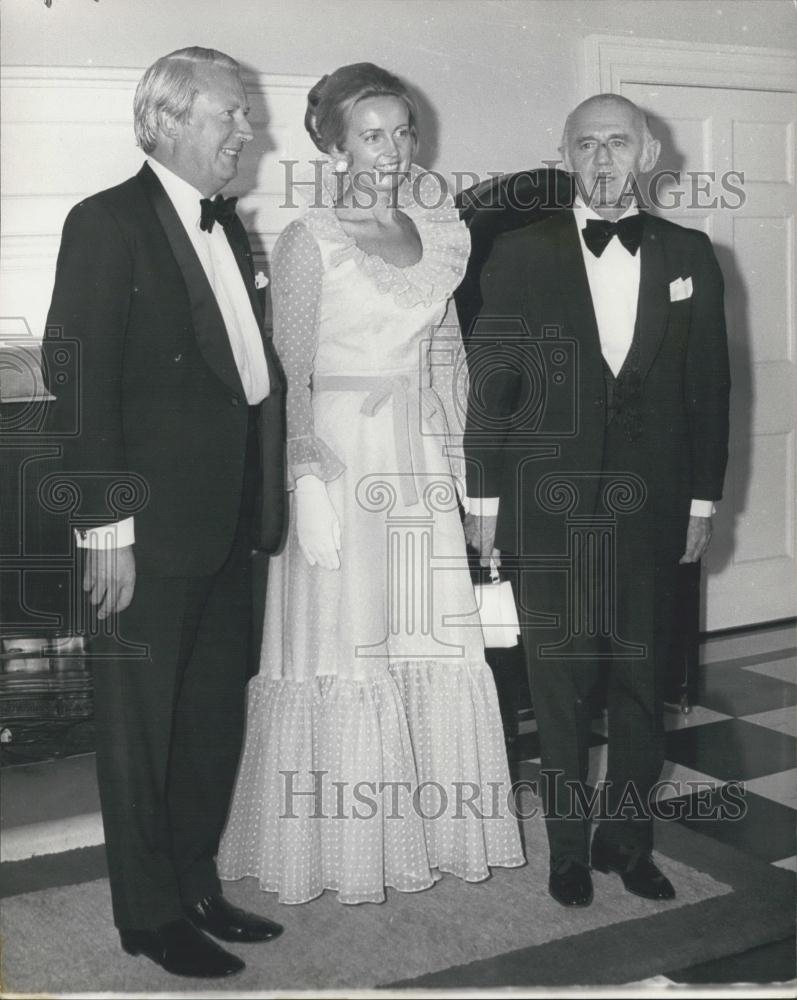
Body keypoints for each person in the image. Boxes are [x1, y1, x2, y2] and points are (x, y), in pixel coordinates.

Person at [218, 63, 524, 904]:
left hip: (417, 459)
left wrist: (470, 479)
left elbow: (448, 360)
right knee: (347, 643)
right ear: (333, 143)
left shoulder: (438, 229)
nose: (391, 151)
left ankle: (421, 829)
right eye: (371, 135)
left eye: (403, 132)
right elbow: (292, 374)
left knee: (423, 640)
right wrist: (304, 483)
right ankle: (335, 849)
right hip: (341, 463)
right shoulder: (308, 239)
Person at [43, 47, 286, 978]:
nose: (246, 130)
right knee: (141, 730)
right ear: (171, 119)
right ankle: (147, 915)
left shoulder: (229, 228)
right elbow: (79, 380)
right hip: (143, 532)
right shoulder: (105, 223)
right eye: (231, 113)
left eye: (247, 114)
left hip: (227, 524)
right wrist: (105, 529)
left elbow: (244, 380)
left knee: (209, 719)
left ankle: (193, 883)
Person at [463, 94, 730, 908]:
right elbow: (492, 388)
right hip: (547, 507)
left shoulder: (691, 253)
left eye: (618, 143)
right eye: (587, 145)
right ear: (566, 156)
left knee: (642, 686)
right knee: (561, 690)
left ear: (648, 153)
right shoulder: (518, 251)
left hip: (653, 510)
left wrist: (700, 504)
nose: (603, 158)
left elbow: (710, 390)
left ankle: (627, 841)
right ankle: (568, 853)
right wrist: (482, 503)